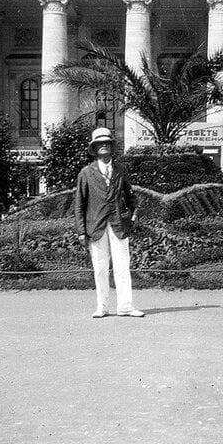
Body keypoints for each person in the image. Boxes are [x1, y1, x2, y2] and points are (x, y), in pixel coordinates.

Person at [74, 127, 144, 319]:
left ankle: (125, 306)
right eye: (99, 144)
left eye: (107, 143)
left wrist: (134, 213)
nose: (103, 146)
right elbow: (79, 205)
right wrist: (81, 231)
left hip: (118, 225)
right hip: (96, 227)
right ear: (94, 148)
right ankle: (102, 307)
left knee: (122, 266)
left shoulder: (121, 170)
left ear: (112, 147)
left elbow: (130, 196)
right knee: (100, 268)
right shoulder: (86, 173)